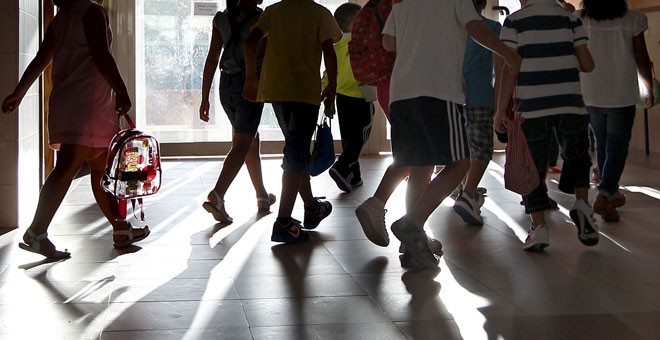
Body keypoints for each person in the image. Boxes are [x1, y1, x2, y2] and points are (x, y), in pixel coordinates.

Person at [1, 0, 149, 259]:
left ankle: (120, 227)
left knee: (99, 167)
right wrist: (122, 91)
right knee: (68, 166)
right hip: (88, 102)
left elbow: (41, 58)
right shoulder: (91, 12)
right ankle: (36, 231)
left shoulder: (62, 18)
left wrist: (19, 92)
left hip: (73, 101)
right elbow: (101, 54)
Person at [383, 0, 521, 268]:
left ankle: (414, 243)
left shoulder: (404, 3)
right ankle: (412, 223)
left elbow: (389, 42)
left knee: (421, 165)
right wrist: (508, 53)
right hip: (438, 92)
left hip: (401, 92)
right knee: (460, 163)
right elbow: (475, 28)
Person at [494, 0, 598, 251]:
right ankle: (582, 204)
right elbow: (587, 64)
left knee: (532, 168)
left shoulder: (515, 21)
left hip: (532, 107)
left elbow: (510, 69)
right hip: (570, 103)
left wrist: (499, 111)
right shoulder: (570, 19)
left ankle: (539, 227)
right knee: (577, 156)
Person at [242, 0, 341, 243]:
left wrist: (250, 76)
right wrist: (332, 85)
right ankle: (283, 221)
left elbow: (251, 40)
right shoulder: (319, 13)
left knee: (295, 149)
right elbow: (328, 49)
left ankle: (310, 207)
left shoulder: (273, 12)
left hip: (275, 89)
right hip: (304, 91)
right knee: (296, 153)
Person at [577, 0, 655, 222]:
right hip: (621, 94)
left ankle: (612, 193)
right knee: (617, 147)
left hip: (591, 92)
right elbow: (642, 57)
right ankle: (604, 194)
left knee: (604, 144)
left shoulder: (581, 21)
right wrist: (649, 88)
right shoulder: (634, 19)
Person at [199, 0, 275, 223]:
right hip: (249, 85)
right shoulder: (263, 19)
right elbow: (270, 56)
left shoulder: (221, 19)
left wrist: (205, 97)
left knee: (250, 139)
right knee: (242, 143)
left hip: (226, 86)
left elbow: (212, 58)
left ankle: (261, 195)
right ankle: (218, 194)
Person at [452, 0, 502, 226]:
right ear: (482, 4)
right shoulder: (491, 28)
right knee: (480, 147)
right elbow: (498, 67)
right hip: (480, 94)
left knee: (460, 147)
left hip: (452, 95)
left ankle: (462, 187)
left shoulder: (450, 27)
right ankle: (468, 193)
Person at [324, 2, 374, 193]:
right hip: (361, 95)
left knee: (348, 137)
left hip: (341, 97)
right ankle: (342, 166)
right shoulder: (362, 44)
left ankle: (354, 176)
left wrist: (326, 91)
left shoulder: (335, 46)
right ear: (355, 23)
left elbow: (328, 73)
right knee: (361, 135)